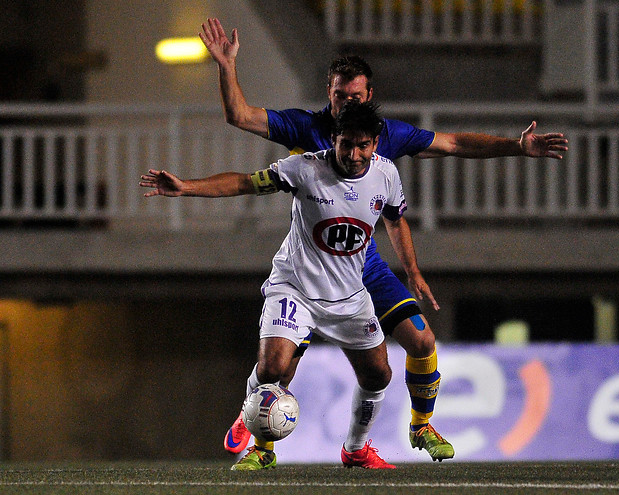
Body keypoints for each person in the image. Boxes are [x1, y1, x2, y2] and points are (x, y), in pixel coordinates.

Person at [199, 17, 569, 462]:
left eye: (354, 97)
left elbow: (451, 146)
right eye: (338, 97)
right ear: (328, 94)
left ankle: (419, 426)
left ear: (368, 98)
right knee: (279, 367)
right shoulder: (304, 129)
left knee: (421, 342)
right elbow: (239, 116)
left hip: (363, 264)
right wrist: (226, 66)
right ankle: (255, 412)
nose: (345, 106)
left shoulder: (387, 136)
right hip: (315, 258)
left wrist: (514, 146)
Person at [140, 102, 429, 470]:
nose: (354, 155)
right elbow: (246, 182)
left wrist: (412, 269)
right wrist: (187, 187)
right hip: (295, 288)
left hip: (349, 296)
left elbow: (394, 218)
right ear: (334, 139)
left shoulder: (386, 174)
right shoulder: (305, 168)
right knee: (273, 367)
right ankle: (260, 445)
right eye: (346, 145)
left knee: (379, 374)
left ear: (375, 144)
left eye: (363, 146)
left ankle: (355, 450)